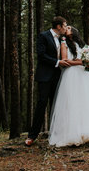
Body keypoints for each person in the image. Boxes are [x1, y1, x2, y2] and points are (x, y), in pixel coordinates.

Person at [25, 16, 70, 146]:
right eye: (65, 25)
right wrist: (57, 62)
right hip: (44, 76)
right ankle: (32, 136)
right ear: (59, 26)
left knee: (56, 104)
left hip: (57, 76)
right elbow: (41, 55)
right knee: (42, 103)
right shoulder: (43, 36)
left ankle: (56, 134)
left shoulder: (63, 38)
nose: (66, 28)